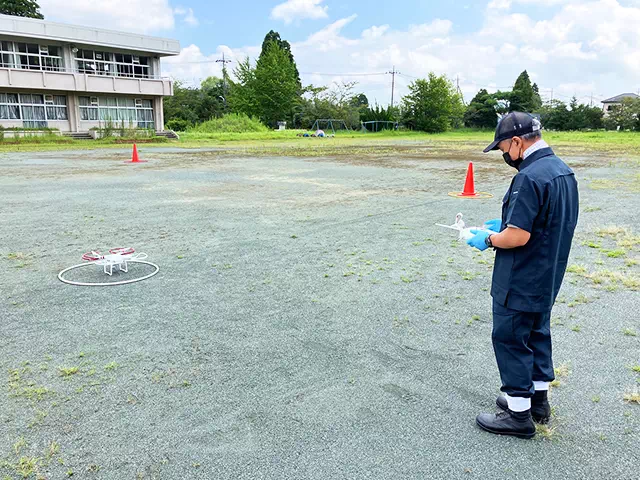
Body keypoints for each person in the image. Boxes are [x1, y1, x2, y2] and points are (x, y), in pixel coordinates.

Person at [465, 112, 579, 439]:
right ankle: (538, 403)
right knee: (537, 334)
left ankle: (517, 415)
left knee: (512, 338)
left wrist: (488, 238)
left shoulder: (528, 177)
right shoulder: (562, 171)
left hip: (520, 276)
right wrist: (505, 224)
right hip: (547, 275)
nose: (504, 155)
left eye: (503, 147)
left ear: (516, 141)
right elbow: (547, 221)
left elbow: (518, 236)